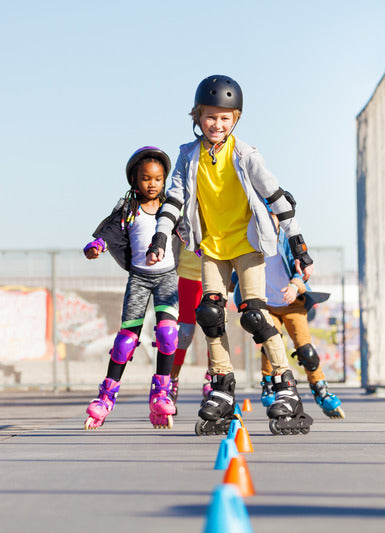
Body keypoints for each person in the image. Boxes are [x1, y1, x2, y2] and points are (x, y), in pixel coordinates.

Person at [146, 74, 316, 435]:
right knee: (209, 313)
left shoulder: (245, 154)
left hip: (248, 245)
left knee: (254, 314)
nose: (217, 124)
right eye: (210, 116)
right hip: (212, 246)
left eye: (225, 118)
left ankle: (285, 383)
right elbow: (174, 199)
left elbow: (276, 196)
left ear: (235, 119)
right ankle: (222, 385)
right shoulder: (187, 156)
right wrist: (161, 238)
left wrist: (298, 243)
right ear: (197, 117)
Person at [83, 146, 180, 430]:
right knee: (125, 341)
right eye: (146, 178)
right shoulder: (128, 209)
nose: (152, 184)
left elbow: (191, 231)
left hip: (167, 278)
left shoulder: (170, 208)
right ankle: (105, 397)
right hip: (139, 278)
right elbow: (109, 233)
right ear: (135, 181)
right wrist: (96, 246)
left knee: (167, 334)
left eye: (158, 179)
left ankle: (161, 393)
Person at [241, 214, 345, 419]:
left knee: (306, 350)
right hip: (266, 305)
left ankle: (320, 389)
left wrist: (294, 286)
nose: (267, 224)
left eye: (272, 219)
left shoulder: (287, 242)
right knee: (271, 342)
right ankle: (269, 385)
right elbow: (239, 271)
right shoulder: (251, 243)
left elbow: (302, 271)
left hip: (292, 304)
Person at [168, 247, 212, 414]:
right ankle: (171, 383)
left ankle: (212, 381)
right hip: (188, 274)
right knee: (183, 332)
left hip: (216, 271)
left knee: (214, 331)